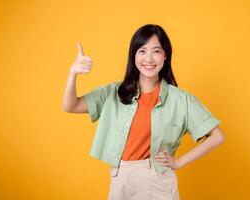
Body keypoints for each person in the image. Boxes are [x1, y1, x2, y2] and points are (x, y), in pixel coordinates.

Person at [63, 24, 225, 200]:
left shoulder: (181, 99)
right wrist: (73, 74)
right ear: (133, 55)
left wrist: (179, 162)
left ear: (165, 55)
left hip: (156, 180)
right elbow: (70, 106)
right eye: (142, 51)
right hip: (120, 178)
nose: (149, 58)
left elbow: (217, 136)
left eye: (156, 51)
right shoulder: (113, 93)